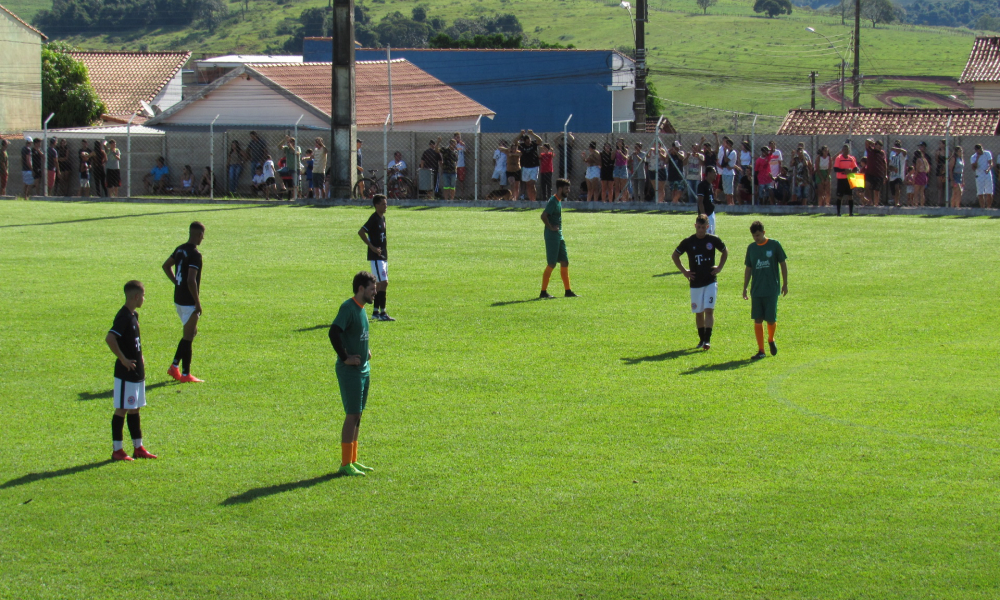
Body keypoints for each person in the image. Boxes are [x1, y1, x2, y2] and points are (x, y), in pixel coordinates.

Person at [328, 271, 378, 477]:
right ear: (360, 289)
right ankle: (345, 464)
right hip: (350, 371)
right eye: (372, 290)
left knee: (359, 415)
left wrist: (364, 348)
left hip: (363, 369)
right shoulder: (348, 308)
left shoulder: (362, 309)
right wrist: (345, 357)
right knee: (352, 415)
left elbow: (355, 333)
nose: (375, 293)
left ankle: (354, 460)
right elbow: (334, 332)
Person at [106, 280, 157, 461]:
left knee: (135, 409)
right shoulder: (124, 317)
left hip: (136, 372)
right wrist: (123, 359)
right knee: (122, 409)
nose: (144, 299)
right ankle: (117, 450)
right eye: (143, 296)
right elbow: (110, 338)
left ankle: (138, 447)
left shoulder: (134, 315)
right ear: (136, 296)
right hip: (125, 373)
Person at [672, 214, 728, 350]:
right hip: (696, 282)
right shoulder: (689, 241)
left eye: (703, 227)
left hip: (710, 280)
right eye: (699, 227)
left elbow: (725, 251)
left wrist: (719, 267)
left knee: (709, 310)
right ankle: (701, 339)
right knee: (698, 312)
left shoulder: (713, 240)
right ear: (695, 226)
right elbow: (675, 256)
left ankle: (707, 340)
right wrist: (685, 271)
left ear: (707, 227)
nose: (701, 230)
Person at [162, 222, 206, 383]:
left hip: (178, 298)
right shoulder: (195, 254)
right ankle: (186, 374)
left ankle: (174, 367)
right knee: (188, 337)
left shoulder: (180, 249)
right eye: (203, 235)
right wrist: (197, 302)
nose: (203, 238)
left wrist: (175, 282)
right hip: (188, 300)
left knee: (191, 333)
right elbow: (191, 280)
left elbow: (166, 266)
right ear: (199, 235)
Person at [742, 221, 788, 361]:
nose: (756, 238)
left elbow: (783, 264)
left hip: (771, 289)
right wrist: (745, 287)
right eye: (753, 236)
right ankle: (761, 350)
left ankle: (771, 339)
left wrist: (785, 284)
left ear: (764, 232)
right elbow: (748, 268)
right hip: (756, 290)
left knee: (771, 319)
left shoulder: (774, 245)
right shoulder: (751, 248)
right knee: (757, 319)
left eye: (758, 235)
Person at [540, 178, 578, 299]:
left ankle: (568, 291)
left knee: (565, 261)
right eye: (567, 189)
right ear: (560, 189)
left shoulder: (558, 200)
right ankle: (543, 292)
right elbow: (543, 216)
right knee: (551, 264)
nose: (569, 191)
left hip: (559, 236)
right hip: (552, 236)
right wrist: (550, 227)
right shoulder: (553, 201)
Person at [358, 194, 394, 321]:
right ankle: (382, 313)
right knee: (383, 283)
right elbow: (361, 232)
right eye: (383, 204)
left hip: (383, 255)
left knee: (380, 285)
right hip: (376, 256)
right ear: (376, 205)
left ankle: (376, 312)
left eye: (386, 204)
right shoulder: (373, 218)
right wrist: (372, 247)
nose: (386, 206)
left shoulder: (382, 218)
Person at [833, 144, 858, 216]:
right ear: (842, 150)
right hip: (841, 179)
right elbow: (835, 169)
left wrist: (852, 171)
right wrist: (844, 170)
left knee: (850, 195)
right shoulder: (838, 158)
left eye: (847, 150)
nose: (846, 151)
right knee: (840, 196)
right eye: (844, 150)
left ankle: (851, 212)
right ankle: (838, 213)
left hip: (849, 179)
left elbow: (855, 168)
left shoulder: (851, 158)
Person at [520, 130, 542, 201]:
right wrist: (520, 134)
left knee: (532, 184)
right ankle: (530, 200)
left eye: (529, 141)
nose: (528, 142)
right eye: (526, 141)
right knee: (528, 184)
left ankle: (534, 200)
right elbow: (514, 141)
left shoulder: (533, 143)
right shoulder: (522, 146)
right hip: (526, 167)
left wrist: (532, 134)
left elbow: (540, 140)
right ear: (524, 141)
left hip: (534, 166)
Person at [864, 139, 887, 206]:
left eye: (880, 148)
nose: (879, 149)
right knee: (867, 186)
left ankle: (876, 204)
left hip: (878, 174)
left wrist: (885, 175)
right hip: (870, 173)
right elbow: (866, 141)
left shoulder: (882, 153)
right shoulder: (870, 150)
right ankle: (870, 201)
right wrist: (873, 143)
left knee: (876, 191)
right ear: (875, 145)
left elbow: (884, 163)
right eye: (878, 147)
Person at [970, 143, 993, 209]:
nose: (980, 151)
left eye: (981, 149)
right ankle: (982, 208)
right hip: (979, 175)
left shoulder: (987, 153)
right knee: (980, 192)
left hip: (987, 174)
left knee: (989, 191)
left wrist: (988, 169)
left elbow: (991, 163)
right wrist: (977, 158)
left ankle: (989, 207)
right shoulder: (973, 157)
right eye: (978, 150)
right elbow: (974, 168)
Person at [696, 166, 718, 234]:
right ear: (709, 173)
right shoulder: (702, 185)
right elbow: (700, 202)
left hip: (711, 213)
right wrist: (703, 216)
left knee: (712, 235)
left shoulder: (710, 185)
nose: (716, 174)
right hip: (707, 214)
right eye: (714, 172)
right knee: (707, 235)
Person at [717, 136, 738, 205]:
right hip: (725, 172)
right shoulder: (726, 151)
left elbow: (726, 160)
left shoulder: (733, 152)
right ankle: (729, 203)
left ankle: (731, 204)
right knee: (726, 190)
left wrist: (724, 152)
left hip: (729, 173)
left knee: (729, 191)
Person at [888, 141, 907, 207]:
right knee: (893, 191)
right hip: (892, 176)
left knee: (897, 187)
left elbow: (905, 152)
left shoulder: (902, 155)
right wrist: (892, 168)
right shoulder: (892, 156)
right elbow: (889, 166)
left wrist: (897, 149)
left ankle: (897, 202)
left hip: (899, 175)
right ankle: (895, 201)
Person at [935, 139, 948, 206]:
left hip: (946, 170)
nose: (940, 145)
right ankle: (939, 202)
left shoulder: (948, 152)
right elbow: (936, 160)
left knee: (945, 186)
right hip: (939, 169)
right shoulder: (938, 152)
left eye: (941, 144)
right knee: (940, 186)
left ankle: (946, 202)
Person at [453, 133, 467, 198]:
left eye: (459, 137)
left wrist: (464, 146)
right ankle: (453, 195)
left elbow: (467, 151)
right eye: (457, 137)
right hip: (454, 165)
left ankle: (462, 195)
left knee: (461, 181)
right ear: (454, 138)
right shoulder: (451, 145)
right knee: (453, 181)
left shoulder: (461, 145)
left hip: (461, 165)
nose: (458, 139)